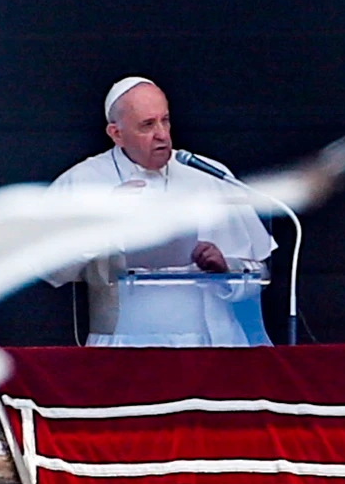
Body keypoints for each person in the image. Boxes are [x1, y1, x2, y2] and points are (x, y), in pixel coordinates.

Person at [45, 77, 274, 346]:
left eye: (165, 121)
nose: (162, 134)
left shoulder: (210, 175)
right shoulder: (83, 181)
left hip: (212, 344)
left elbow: (260, 274)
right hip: (124, 347)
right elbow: (49, 269)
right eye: (147, 125)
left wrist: (225, 268)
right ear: (116, 134)